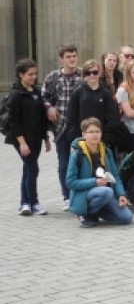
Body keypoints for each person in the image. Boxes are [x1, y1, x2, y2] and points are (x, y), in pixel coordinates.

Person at [65, 118, 133, 227]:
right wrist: (94, 182)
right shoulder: (77, 155)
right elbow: (70, 182)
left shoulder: (106, 152)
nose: (95, 135)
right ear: (83, 134)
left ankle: (95, 212)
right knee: (106, 192)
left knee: (126, 218)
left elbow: (115, 176)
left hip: (104, 194)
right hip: (84, 194)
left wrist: (121, 194)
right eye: (91, 132)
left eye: (97, 131)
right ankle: (84, 214)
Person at [6, 59, 51, 216]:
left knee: (27, 169)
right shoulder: (16, 94)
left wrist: (45, 138)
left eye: (35, 74)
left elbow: (41, 118)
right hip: (21, 139)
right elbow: (14, 121)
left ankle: (24, 203)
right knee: (33, 168)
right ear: (21, 75)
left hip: (36, 137)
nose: (33, 77)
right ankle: (34, 202)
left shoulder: (36, 92)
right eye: (29, 74)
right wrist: (22, 143)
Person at [41, 43, 82, 212]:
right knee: (64, 163)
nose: (72, 59)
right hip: (60, 127)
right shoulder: (53, 77)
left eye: (74, 56)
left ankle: (79, 194)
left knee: (81, 162)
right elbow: (42, 96)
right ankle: (66, 196)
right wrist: (49, 107)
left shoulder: (83, 74)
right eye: (68, 57)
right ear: (62, 59)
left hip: (80, 126)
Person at [66, 59, 119, 141]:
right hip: (82, 137)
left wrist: (105, 136)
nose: (91, 75)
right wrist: (75, 137)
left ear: (100, 73)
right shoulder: (78, 92)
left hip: (101, 137)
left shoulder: (106, 93)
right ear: (84, 74)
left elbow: (112, 117)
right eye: (88, 73)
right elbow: (71, 116)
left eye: (95, 72)